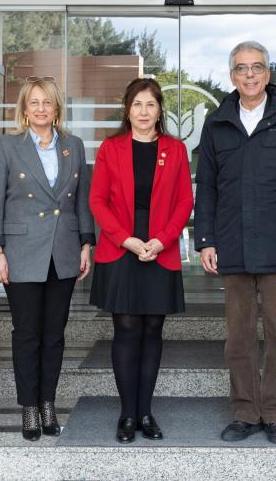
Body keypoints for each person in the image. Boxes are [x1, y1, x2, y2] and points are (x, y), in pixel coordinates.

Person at [194, 42, 276, 446]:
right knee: (239, 337)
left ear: (268, 74)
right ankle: (246, 411)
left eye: (257, 67)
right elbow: (208, 188)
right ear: (231, 76)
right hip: (232, 247)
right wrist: (206, 240)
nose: (249, 75)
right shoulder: (217, 123)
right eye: (241, 68)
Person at [0, 77, 95, 441]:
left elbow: (81, 200)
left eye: (47, 102)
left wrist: (85, 244)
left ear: (56, 107)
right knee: (27, 334)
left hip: (62, 252)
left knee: (54, 335)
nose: (41, 109)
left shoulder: (74, 146)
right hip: (20, 253)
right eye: (34, 103)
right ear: (24, 108)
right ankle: (29, 407)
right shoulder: (6, 146)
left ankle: (48, 403)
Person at [90, 78, 193, 444]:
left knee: (153, 330)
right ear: (127, 109)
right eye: (137, 105)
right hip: (122, 246)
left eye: (150, 105)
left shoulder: (175, 149)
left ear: (160, 110)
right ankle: (127, 414)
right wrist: (128, 239)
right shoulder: (111, 148)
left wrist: (162, 240)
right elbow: (97, 201)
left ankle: (146, 412)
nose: (144, 112)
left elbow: (184, 201)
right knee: (127, 329)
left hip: (159, 244)